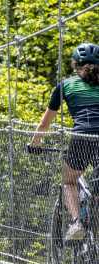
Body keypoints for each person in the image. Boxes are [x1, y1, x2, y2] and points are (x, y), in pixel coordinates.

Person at [29, 43, 99, 242]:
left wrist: (35, 142)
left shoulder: (66, 85)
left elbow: (45, 122)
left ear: (75, 64)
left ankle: (77, 222)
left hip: (82, 137)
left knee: (68, 181)